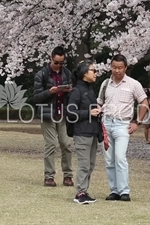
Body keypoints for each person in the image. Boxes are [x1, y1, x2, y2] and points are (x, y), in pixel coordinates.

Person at [97, 54, 149, 201]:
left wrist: (137, 122)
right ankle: (114, 190)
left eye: (120, 68)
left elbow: (144, 103)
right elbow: (99, 102)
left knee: (120, 157)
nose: (117, 70)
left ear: (125, 68)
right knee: (109, 160)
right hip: (106, 123)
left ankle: (124, 191)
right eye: (114, 67)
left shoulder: (133, 84)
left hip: (122, 125)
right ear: (110, 67)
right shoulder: (105, 84)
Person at [33, 46, 74, 187]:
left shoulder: (67, 73)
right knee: (51, 144)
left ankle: (68, 175)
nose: (59, 65)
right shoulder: (42, 75)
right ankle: (49, 176)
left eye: (62, 63)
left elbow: (72, 92)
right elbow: (36, 97)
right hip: (47, 113)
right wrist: (49, 92)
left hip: (63, 113)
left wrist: (69, 90)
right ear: (51, 58)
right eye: (56, 62)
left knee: (66, 144)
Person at [67, 60, 101, 204]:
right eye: (93, 70)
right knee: (84, 164)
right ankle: (80, 193)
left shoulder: (89, 90)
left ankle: (84, 191)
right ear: (84, 73)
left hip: (92, 132)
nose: (95, 73)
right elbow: (70, 112)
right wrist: (89, 112)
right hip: (82, 133)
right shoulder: (76, 91)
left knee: (91, 165)